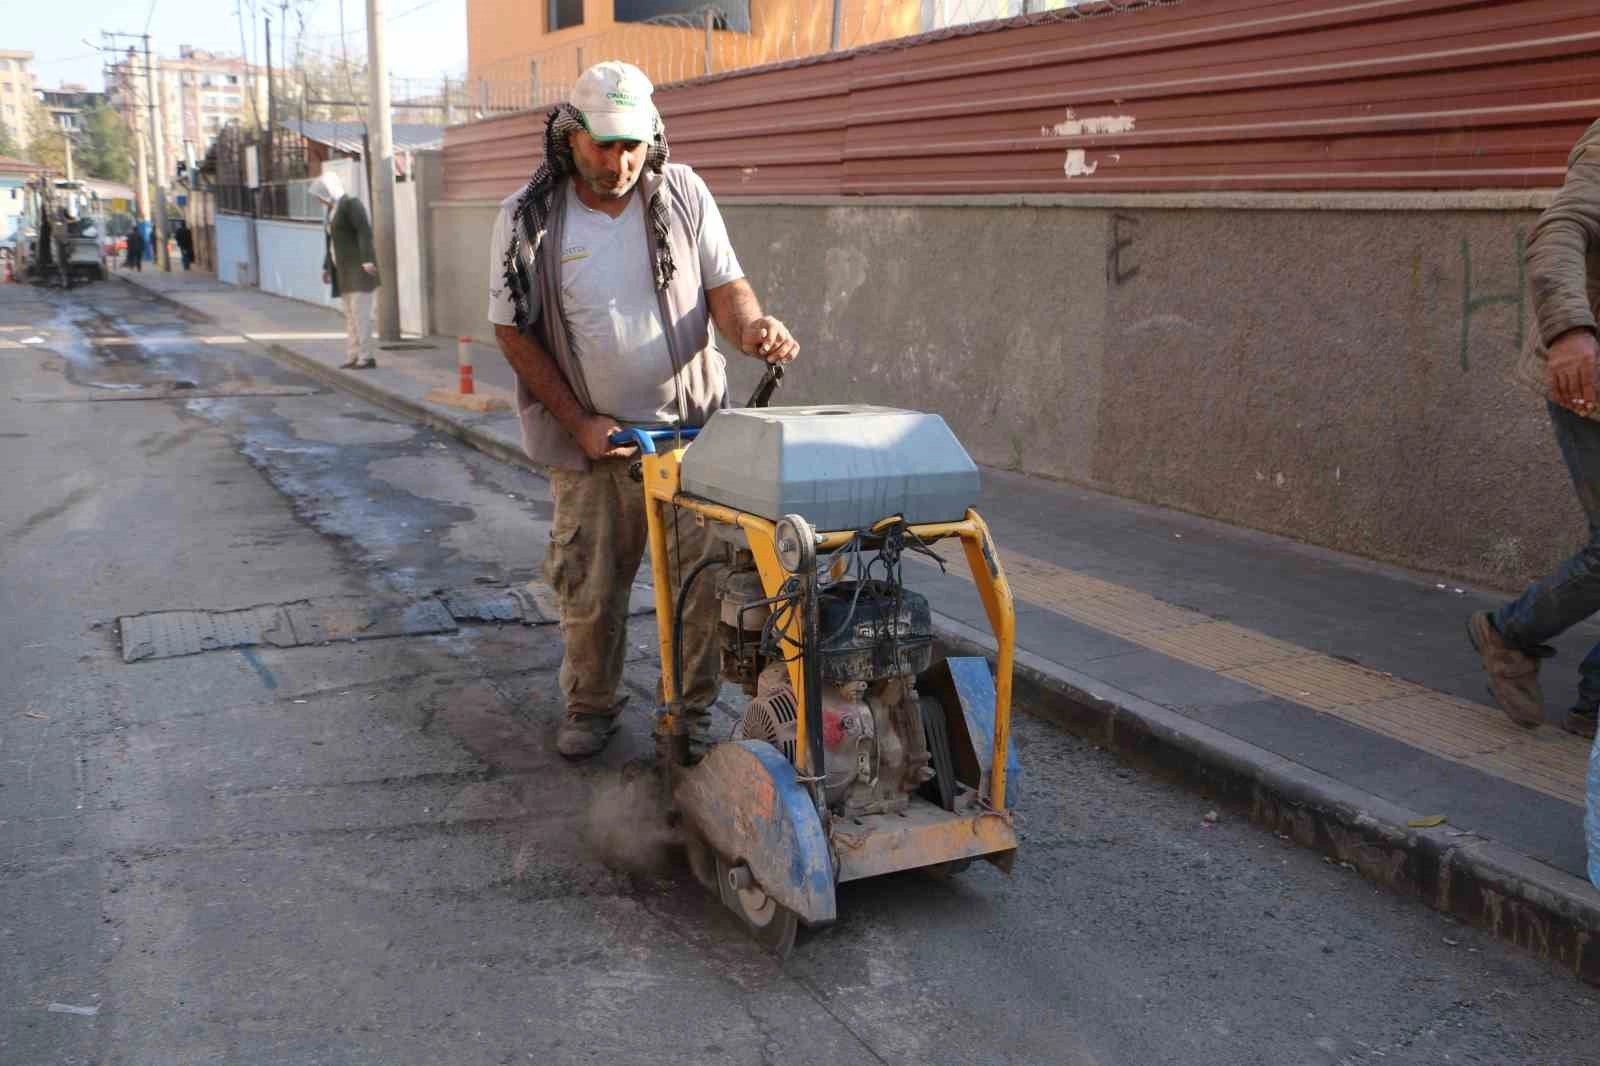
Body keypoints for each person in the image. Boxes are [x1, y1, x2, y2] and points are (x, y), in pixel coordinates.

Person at [487, 60, 799, 758]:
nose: (618, 162)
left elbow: (726, 288)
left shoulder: (683, 193)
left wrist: (753, 328)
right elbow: (512, 332)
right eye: (603, 145)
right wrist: (579, 423)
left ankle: (684, 720)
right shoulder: (527, 218)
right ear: (570, 136)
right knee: (591, 589)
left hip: (690, 444)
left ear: (651, 137)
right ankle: (591, 706)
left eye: (631, 146)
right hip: (597, 448)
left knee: (699, 591)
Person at [1469, 118, 1600, 740]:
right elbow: (1560, 229)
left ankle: (1594, 701)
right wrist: (1570, 330)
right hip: (1588, 380)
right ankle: (1508, 634)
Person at [310, 170, 380, 369]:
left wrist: (367, 260)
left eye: (320, 195)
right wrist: (326, 267)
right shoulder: (332, 211)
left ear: (329, 191)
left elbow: (364, 231)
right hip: (343, 272)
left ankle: (366, 357)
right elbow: (332, 242)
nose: (319, 200)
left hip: (359, 271)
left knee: (360, 316)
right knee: (350, 316)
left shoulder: (351, 204)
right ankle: (353, 355)